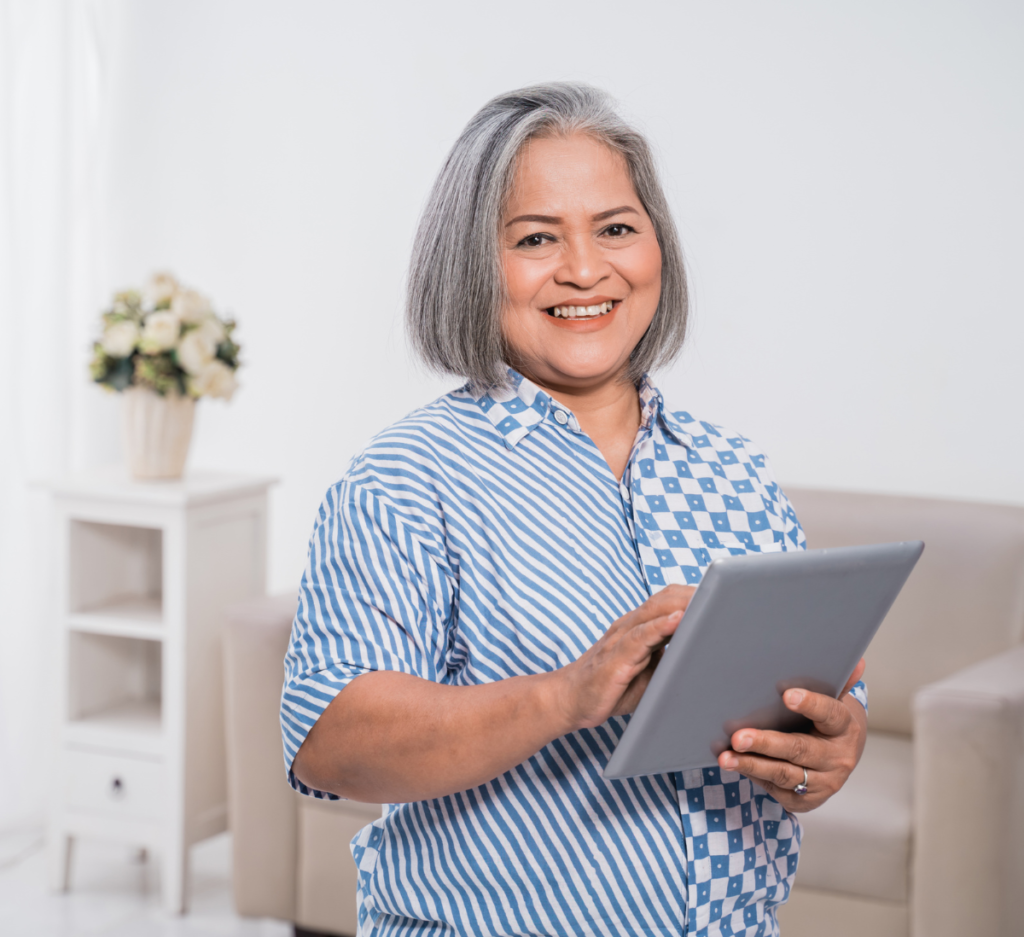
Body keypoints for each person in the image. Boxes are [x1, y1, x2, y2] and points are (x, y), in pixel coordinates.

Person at [281, 83, 867, 937]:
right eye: (535, 239)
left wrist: (824, 755)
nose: (586, 270)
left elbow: (812, 728)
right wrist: (567, 696)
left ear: (657, 246)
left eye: (617, 228)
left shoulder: (735, 474)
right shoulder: (406, 479)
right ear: (472, 264)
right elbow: (330, 743)